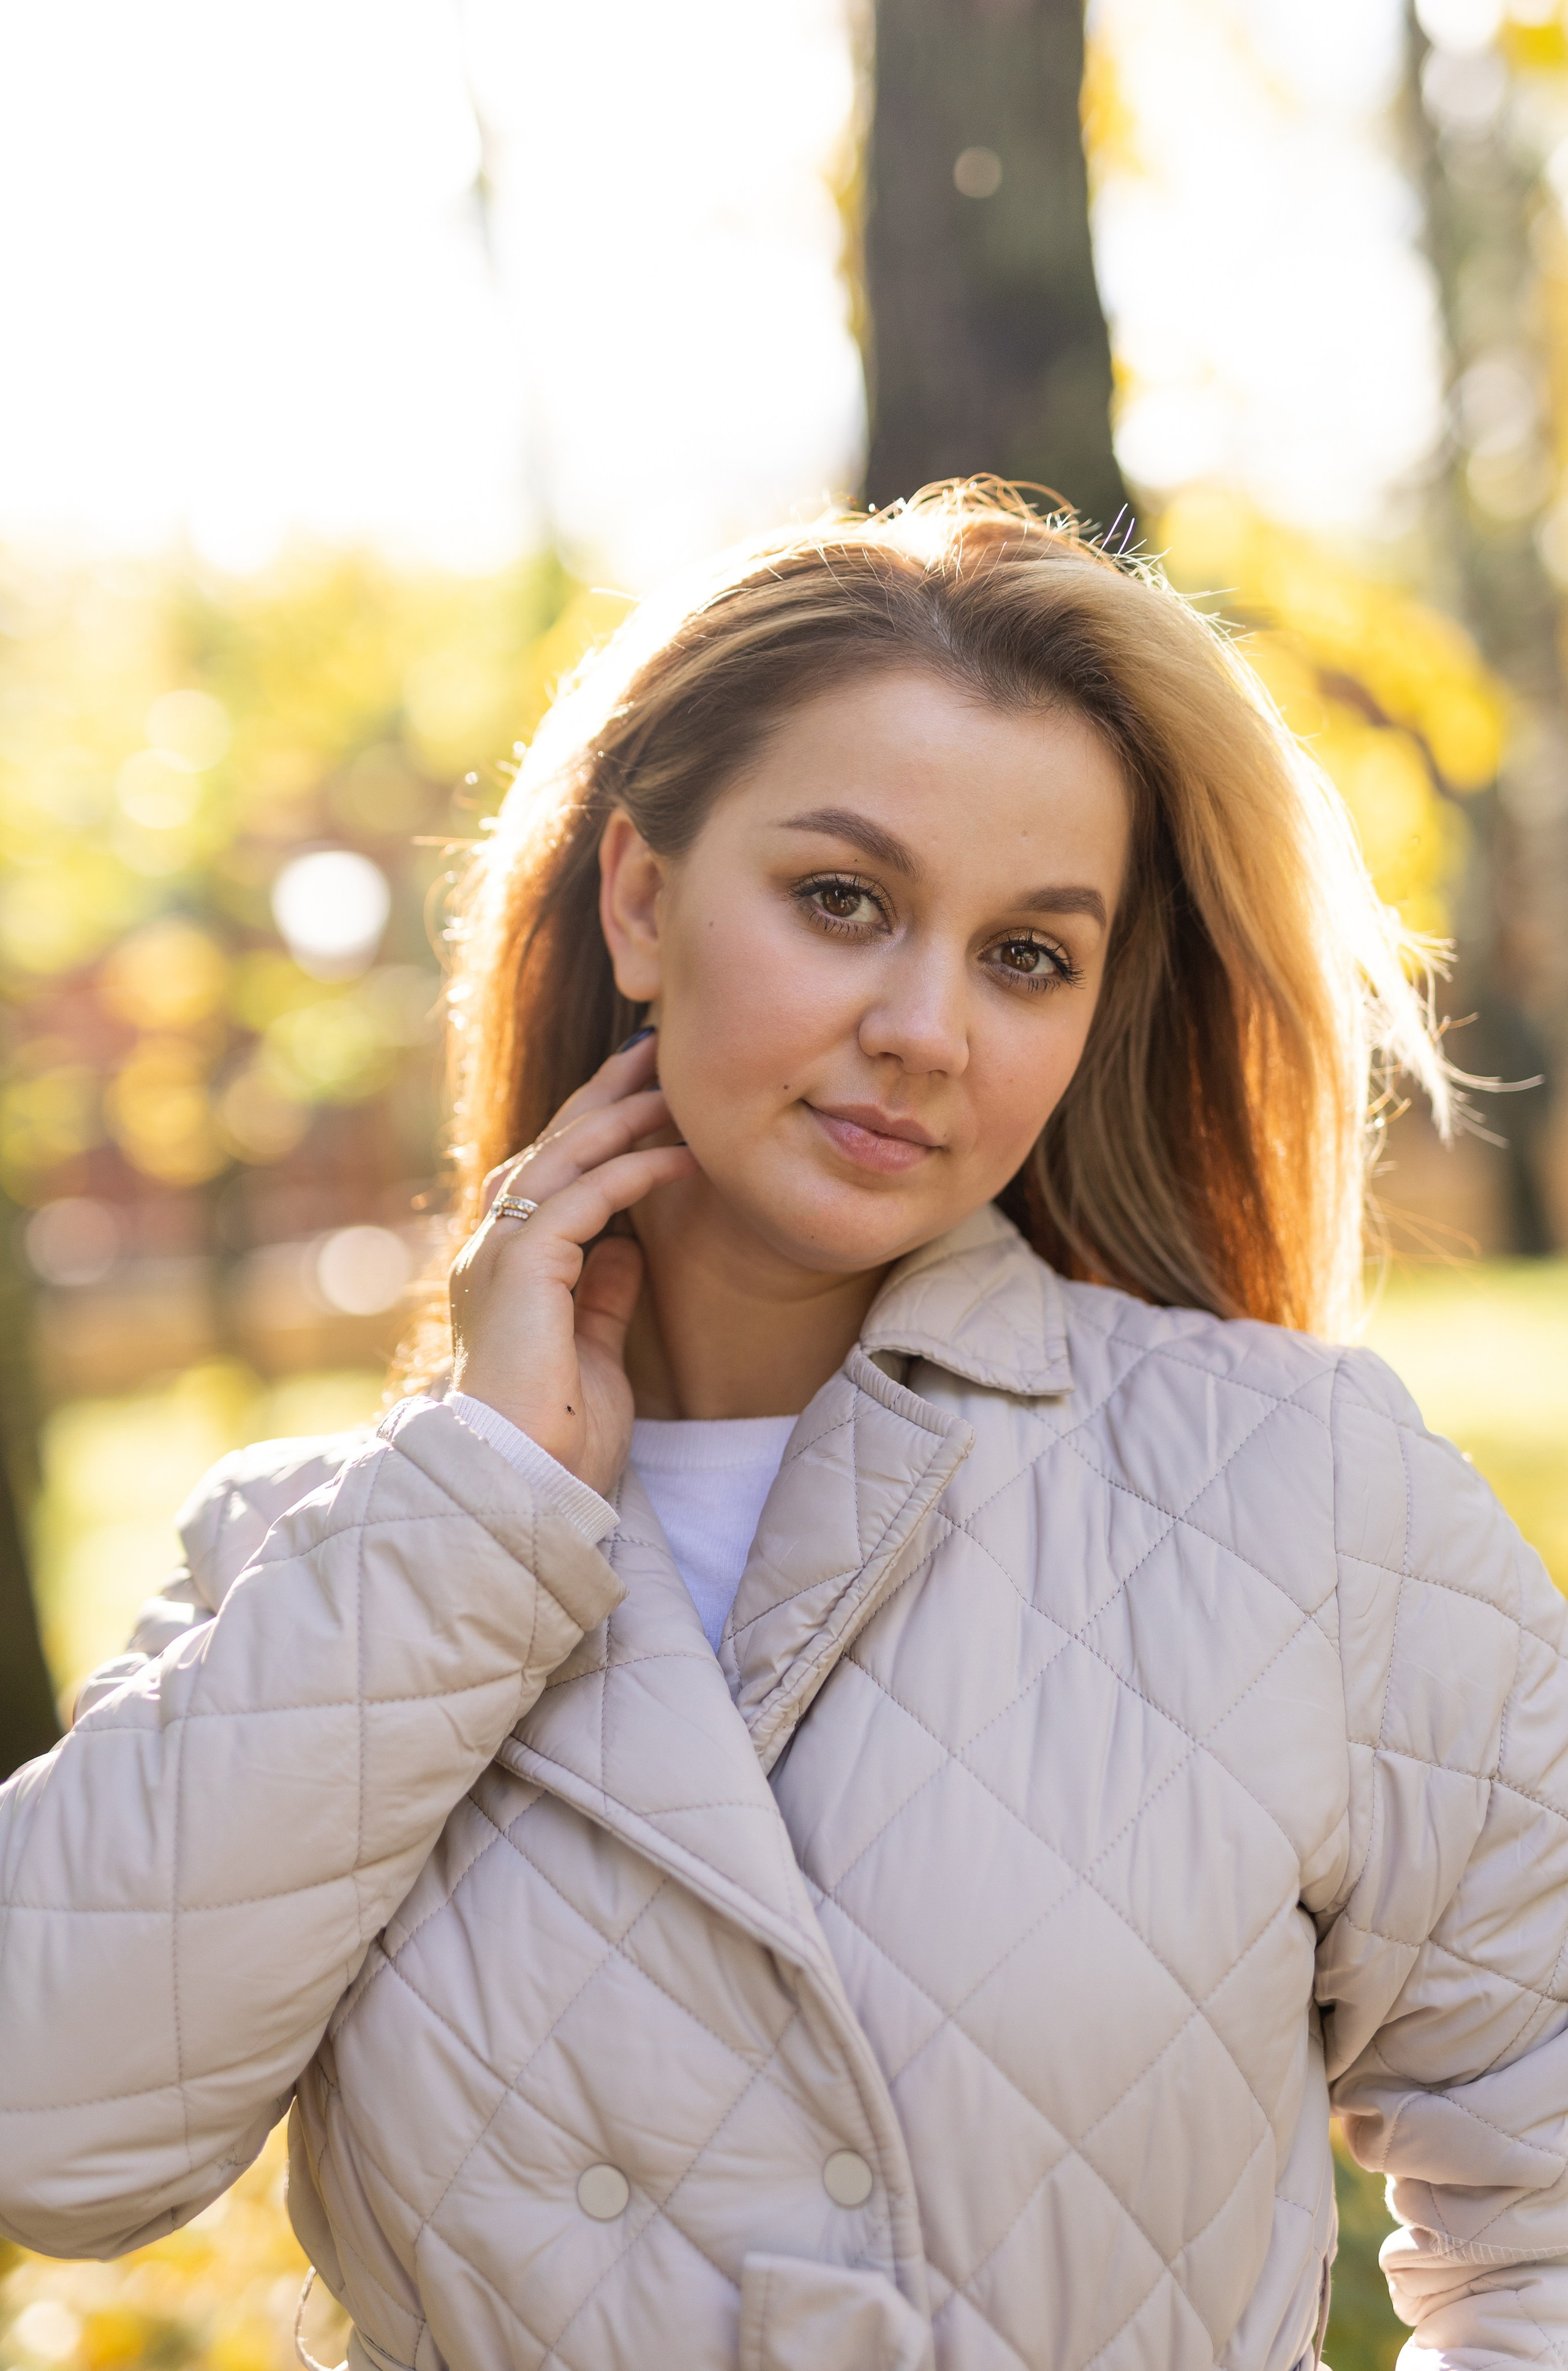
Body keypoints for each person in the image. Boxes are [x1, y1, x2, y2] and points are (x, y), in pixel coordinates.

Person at [2, 481, 1565, 2371]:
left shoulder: (1305, 1489)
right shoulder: (310, 1552)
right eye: (844, 901)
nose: (926, 1026)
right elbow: (46, 2130)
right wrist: (479, 1506)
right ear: (641, 899)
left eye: (1026, 955)